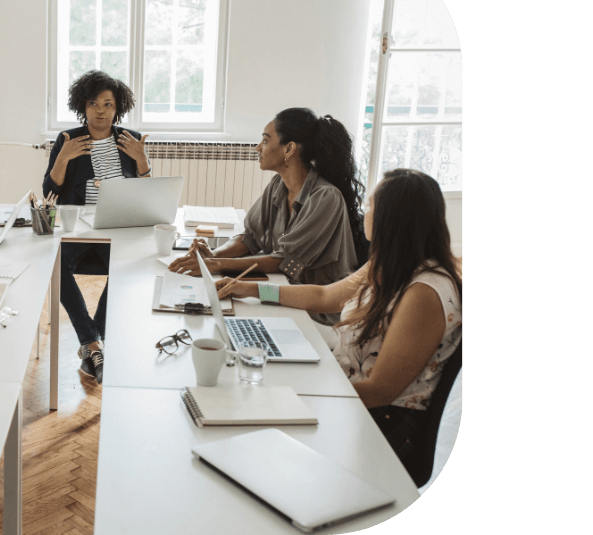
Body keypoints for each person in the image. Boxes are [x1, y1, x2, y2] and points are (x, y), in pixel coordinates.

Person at [215, 168, 462, 465]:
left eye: (370, 206)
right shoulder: (388, 264)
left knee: (246, 428)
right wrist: (252, 289)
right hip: (346, 398)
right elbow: (324, 297)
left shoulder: (424, 293)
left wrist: (295, 397)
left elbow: (379, 391)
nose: (365, 212)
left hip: (378, 427)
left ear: (392, 218)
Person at [169, 108, 367, 326]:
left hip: (319, 313)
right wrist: (214, 254)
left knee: (233, 321)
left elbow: (285, 261)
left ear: (289, 149)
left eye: (265, 140)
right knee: (219, 315)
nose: (257, 148)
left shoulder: (326, 198)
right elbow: (250, 239)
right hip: (282, 292)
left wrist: (215, 264)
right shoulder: (277, 185)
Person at [42, 70, 152, 384]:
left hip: (117, 227)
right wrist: (62, 158)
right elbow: (50, 190)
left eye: (107, 104)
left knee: (129, 269)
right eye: (93, 104)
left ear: (118, 108)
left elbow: (145, 191)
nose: (100, 110)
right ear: (83, 107)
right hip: (78, 227)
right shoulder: (67, 139)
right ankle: (92, 343)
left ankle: (91, 343)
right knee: (56, 266)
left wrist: (142, 161)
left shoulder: (128, 139)